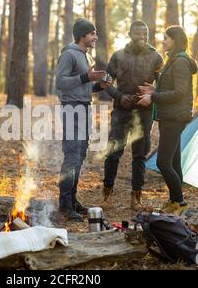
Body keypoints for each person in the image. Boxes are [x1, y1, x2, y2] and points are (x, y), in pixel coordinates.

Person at [102, 21, 164, 210]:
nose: (141, 37)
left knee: (140, 155)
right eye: (137, 34)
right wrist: (120, 97)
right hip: (121, 111)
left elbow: (163, 87)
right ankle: (106, 196)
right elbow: (106, 83)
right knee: (113, 153)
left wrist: (151, 96)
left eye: (144, 34)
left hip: (144, 113)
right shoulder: (118, 56)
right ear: (129, 34)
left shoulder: (156, 57)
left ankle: (136, 198)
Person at [138, 25, 198, 215]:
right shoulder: (174, 60)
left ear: (175, 40)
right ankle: (175, 202)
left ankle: (179, 203)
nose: (163, 41)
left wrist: (153, 97)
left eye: (166, 38)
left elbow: (180, 92)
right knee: (174, 162)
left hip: (174, 117)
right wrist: (155, 90)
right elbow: (173, 88)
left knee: (163, 163)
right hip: (171, 116)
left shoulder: (180, 62)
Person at [56, 18, 111, 222]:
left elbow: (83, 85)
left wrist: (98, 87)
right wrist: (87, 78)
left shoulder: (85, 56)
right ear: (82, 36)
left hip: (85, 108)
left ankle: (73, 200)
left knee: (79, 156)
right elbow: (61, 82)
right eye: (92, 33)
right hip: (71, 109)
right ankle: (64, 204)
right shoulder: (69, 54)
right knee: (71, 156)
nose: (96, 37)